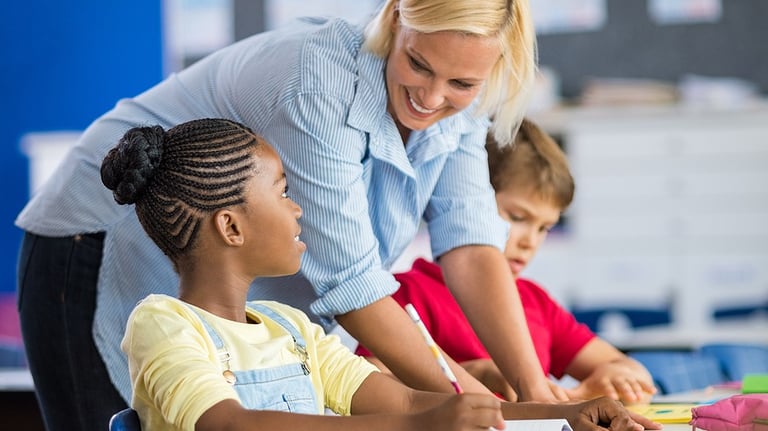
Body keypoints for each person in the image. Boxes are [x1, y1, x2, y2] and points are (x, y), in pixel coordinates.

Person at [17, 1, 565, 428]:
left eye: (461, 84)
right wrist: (473, 412)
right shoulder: (315, 81)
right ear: (397, 19)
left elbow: (471, 244)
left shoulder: (293, 330)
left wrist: (535, 394)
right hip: (98, 242)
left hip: (225, 300)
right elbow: (352, 285)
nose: (432, 96)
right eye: (418, 64)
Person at [102, 118, 659, 431]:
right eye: (283, 193)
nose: (298, 209)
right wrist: (419, 425)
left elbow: (415, 403)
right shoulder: (165, 325)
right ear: (230, 226)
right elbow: (231, 426)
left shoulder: (292, 329)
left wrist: (565, 416)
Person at [356, 119, 657, 404]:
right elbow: (363, 380)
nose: (530, 241)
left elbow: (634, 372)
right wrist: (475, 372)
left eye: (544, 228)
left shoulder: (536, 302)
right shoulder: (407, 294)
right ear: (469, 201)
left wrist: (606, 382)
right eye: (517, 217)